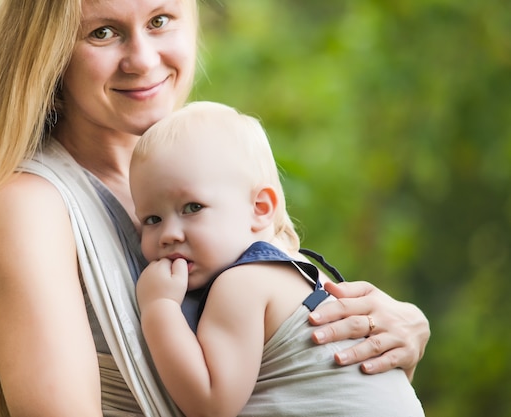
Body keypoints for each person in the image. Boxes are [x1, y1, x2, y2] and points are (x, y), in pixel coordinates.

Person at [0, 0, 430, 416]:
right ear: (48, 53)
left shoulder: (195, 167)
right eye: (103, 32)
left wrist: (394, 331)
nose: (142, 59)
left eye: (160, 20)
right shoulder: (31, 209)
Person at [131, 101, 425, 417]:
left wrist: (158, 308)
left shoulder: (242, 284)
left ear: (260, 208)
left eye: (192, 208)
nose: (168, 234)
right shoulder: (300, 271)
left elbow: (210, 405)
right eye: (151, 219)